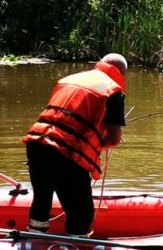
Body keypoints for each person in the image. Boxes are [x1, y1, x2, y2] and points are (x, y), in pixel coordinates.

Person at [22, 53, 128, 236]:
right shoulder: (113, 91)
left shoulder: (69, 79)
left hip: (36, 142)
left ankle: (34, 241)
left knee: (41, 200)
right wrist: (98, 144)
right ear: (121, 73)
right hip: (66, 152)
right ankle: (79, 249)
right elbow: (114, 139)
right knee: (82, 214)